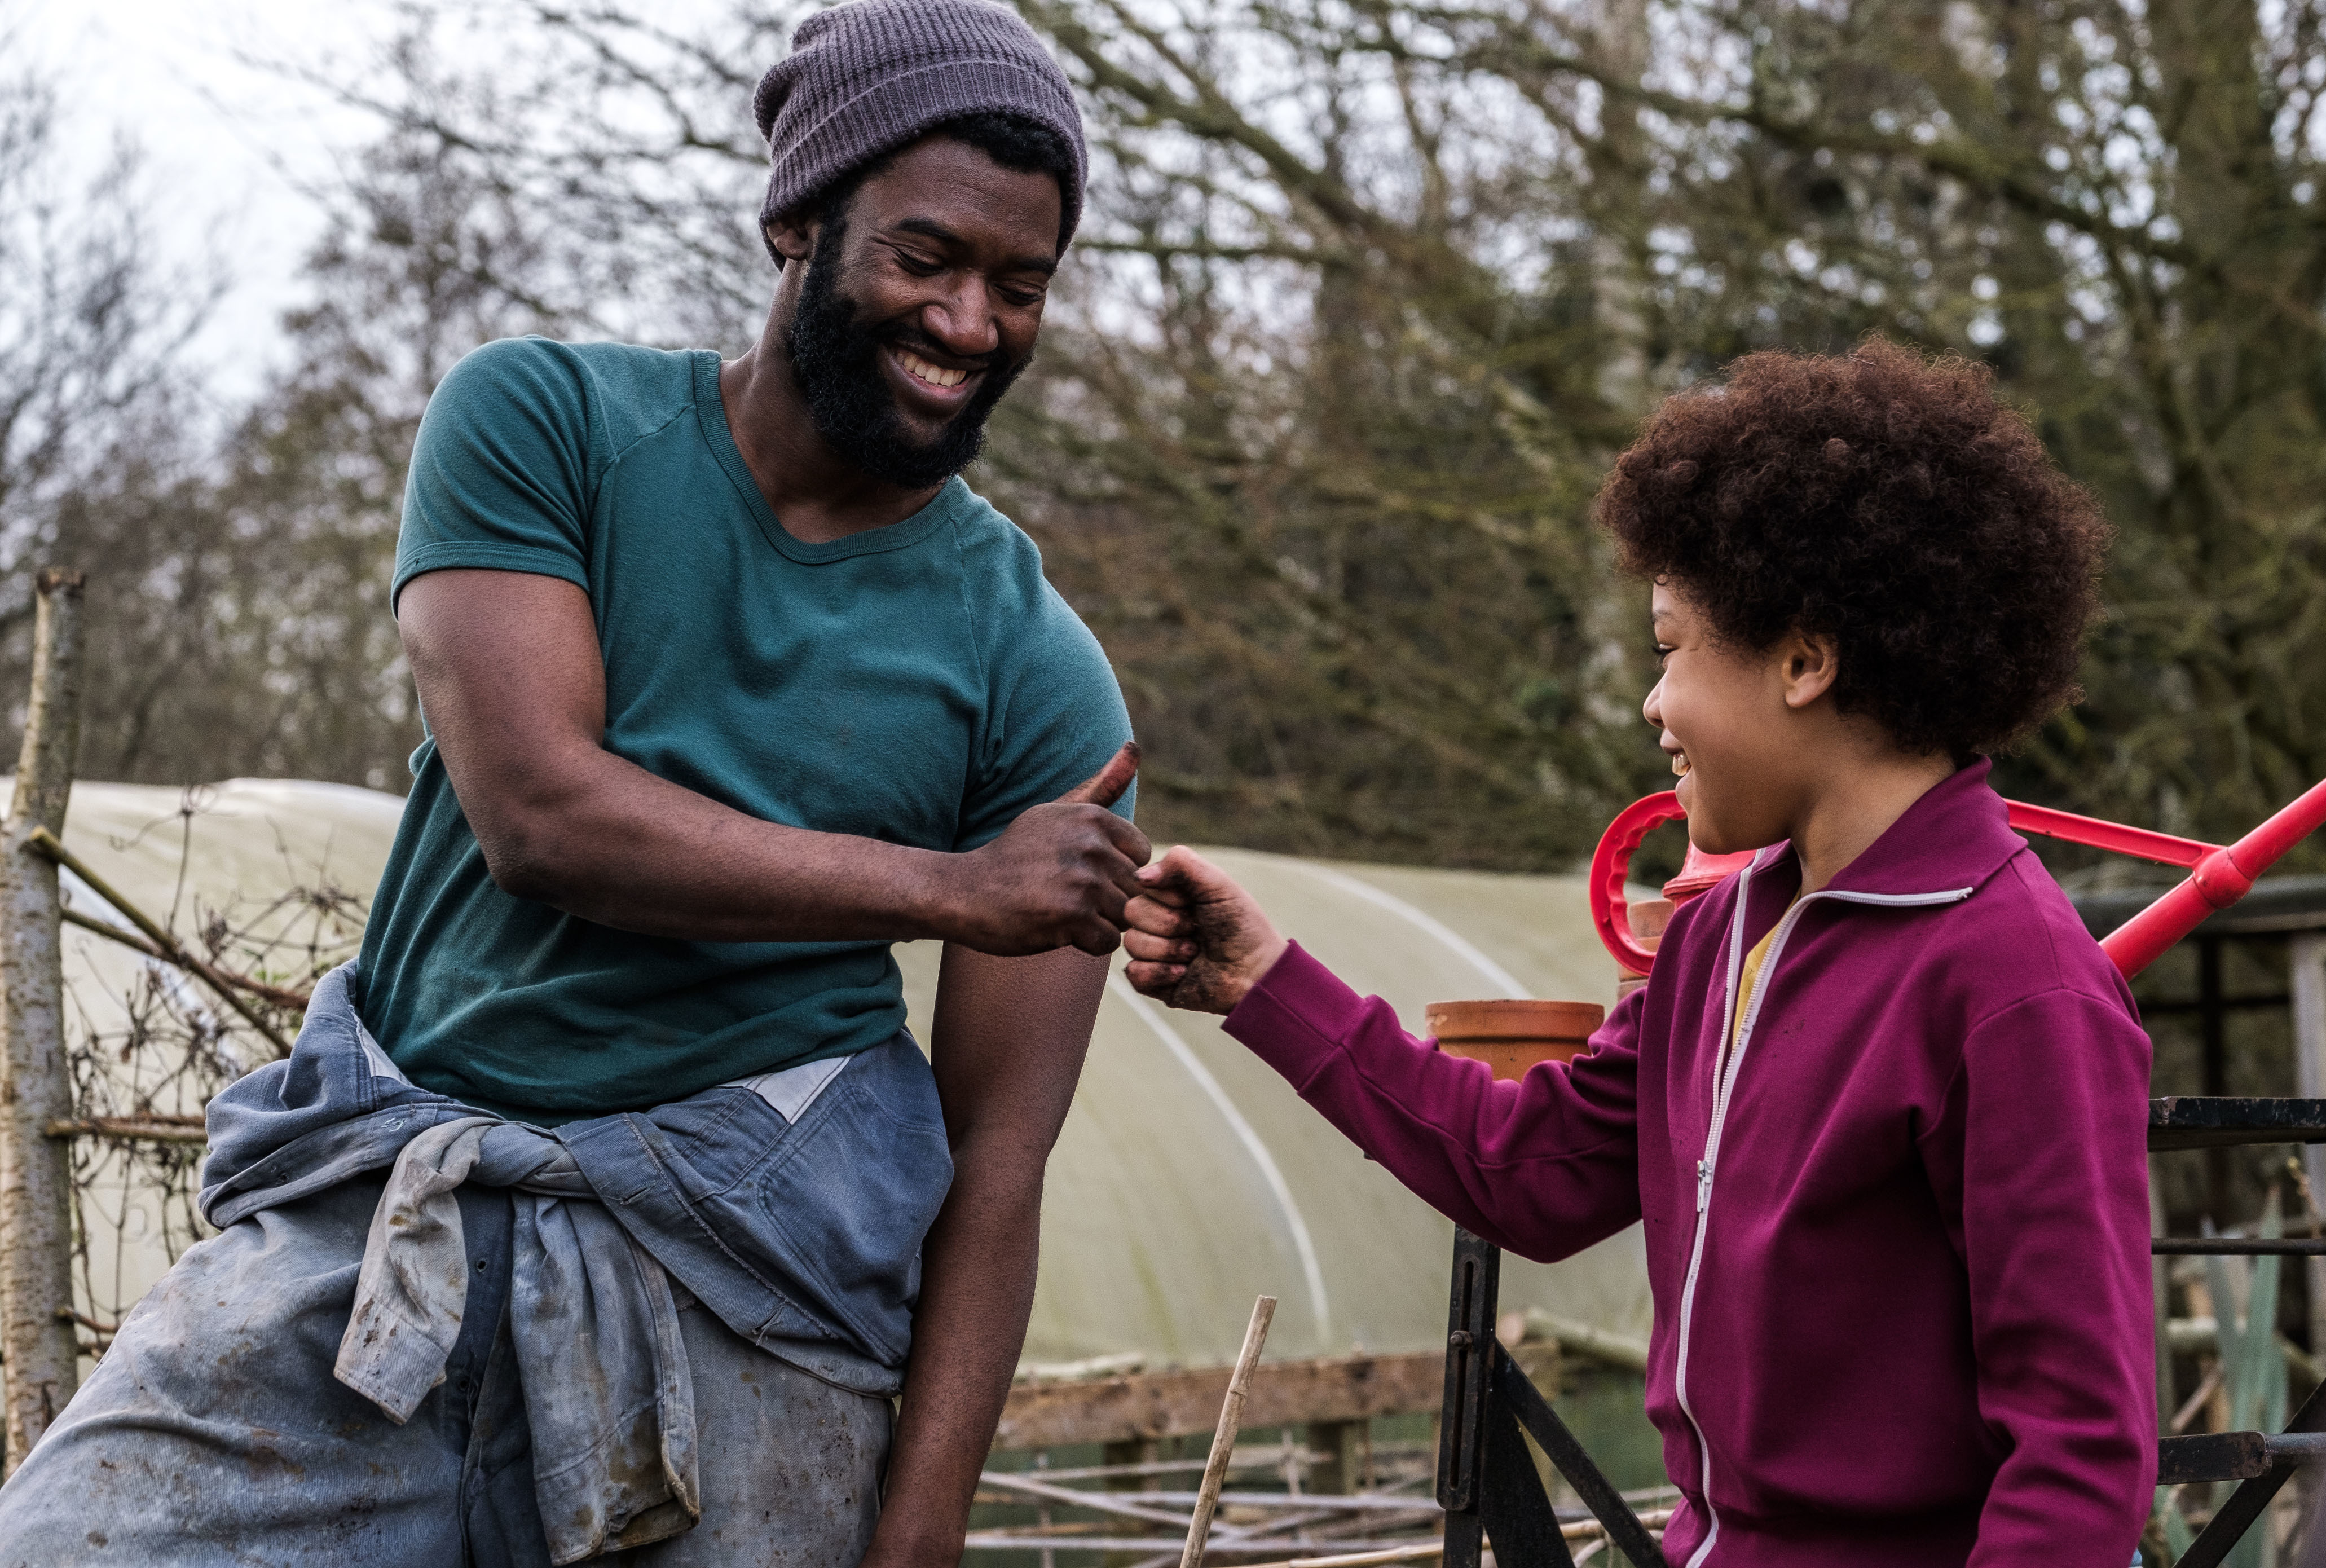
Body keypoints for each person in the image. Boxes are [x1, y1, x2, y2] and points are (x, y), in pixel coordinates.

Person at [0, 2, 1146, 1563]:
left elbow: (998, 1158)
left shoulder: (1035, 667)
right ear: (798, 221)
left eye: (1021, 287)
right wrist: (955, 888)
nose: (969, 323)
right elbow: (541, 816)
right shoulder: (548, 423)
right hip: (390, 1213)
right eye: (924, 258)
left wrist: (922, 1530)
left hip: (756, 1283)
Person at [1122, 341, 2157, 1566]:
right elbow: (1530, 1169)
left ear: (1805, 660)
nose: (1653, 704)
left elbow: (2081, 1455)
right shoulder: (1720, 938)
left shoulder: (2017, 987)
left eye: (1671, 647)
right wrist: (1262, 981)